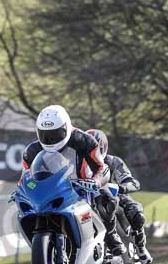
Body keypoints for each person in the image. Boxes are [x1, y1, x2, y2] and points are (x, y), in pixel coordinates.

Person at [21, 105, 126, 255]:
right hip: (54, 189)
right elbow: (26, 178)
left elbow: (100, 167)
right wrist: (23, 190)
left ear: (66, 127)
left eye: (56, 133)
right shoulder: (31, 151)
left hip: (83, 184)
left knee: (107, 199)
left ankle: (110, 234)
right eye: (45, 134)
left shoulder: (83, 140)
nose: (50, 139)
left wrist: (95, 181)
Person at [86, 129, 153, 264]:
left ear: (103, 147)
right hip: (85, 196)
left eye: (95, 149)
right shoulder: (77, 162)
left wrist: (122, 187)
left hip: (115, 195)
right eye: (88, 149)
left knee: (136, 213)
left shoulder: (113, 161)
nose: (92, 153)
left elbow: (132, 182)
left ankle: (140, 247)